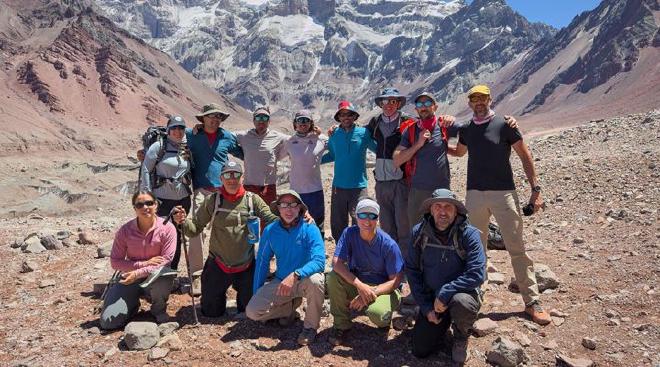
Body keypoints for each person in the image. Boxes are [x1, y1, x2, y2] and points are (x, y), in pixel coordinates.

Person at [453, 84, 551, 325]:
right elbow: (458, 152)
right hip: (474, 195)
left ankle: (531, 301)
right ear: (469, 103)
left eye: (483, 98)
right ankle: (476, 297)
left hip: (504, 193)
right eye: (474, 98)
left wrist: (535, 189)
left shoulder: (506, 125)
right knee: (477, 248)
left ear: (490, 99)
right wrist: (431, 143)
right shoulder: (466, 129)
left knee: (516, 246)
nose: (478, 102)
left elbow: (524, 155)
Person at [173, 161, 278, 318]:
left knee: (248, 311)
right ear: (221, 178)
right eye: (227, 175)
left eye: (236, 174)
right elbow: (194, 228)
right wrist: (182, 221)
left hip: (246, 264)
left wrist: (293, 216)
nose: (232, 179)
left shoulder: (252, 200)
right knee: (211, 312)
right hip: (218, 264)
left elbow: (271, 219)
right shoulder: (213, 200)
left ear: (242, 178)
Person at [405, 189, 486, 364]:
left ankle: (461, 335)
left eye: (448, 207)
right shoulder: (419, 233)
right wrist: (426, 307)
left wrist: (445, 292)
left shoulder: (469, 234)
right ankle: (439, 322)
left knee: (462, 302)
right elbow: (412, 270)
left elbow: (477, 274)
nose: (442, 211)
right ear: (431, 210)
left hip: (459, 295)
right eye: (438, 206)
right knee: (420, 349)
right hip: (432, 300)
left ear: (456, 211)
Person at [246, 190, 326, 346]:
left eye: (293, 205)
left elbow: (319, 261)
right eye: (284, 205)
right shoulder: (270, 231)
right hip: (281, 281)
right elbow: (262, 263)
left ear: (299, 209)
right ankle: (289, 309)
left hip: (305, 280)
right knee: (253, 311)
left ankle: (310, 327)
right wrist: (257, 294)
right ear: (278, 208)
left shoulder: (310, 229)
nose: (288, 210)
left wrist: (296, 274)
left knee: (317, 281)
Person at [326, 198, 404, 346]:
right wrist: (360, 287)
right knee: (333, 277)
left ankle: (383, 320)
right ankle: (341, 325)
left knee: (379, 315)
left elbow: (396, 281)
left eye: (372, 216)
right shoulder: (349, 233)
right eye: (362, 215)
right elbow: (336, 263)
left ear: (377, 218)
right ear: (356, 216)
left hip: (384, 289)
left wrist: (369, 293)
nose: (367, 221)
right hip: (360, 282)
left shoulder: (389, 245)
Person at [187, 103, 244, 294]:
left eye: (218, 117)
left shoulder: (227, 137)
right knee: (196, 231)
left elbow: (245, 153)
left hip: (223, 191)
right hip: (201, 190)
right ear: (203, 119)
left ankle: (229, 270)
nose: (215, 120)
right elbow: (170, 138)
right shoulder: (192, 135)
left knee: (226, 230)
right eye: (211, 116)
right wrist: (145, 154)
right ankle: (196, 274)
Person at [100, 191, 177, 329]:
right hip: (129, 279)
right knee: (108, 323)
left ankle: (158, 309)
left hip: (154, 277)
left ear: (156, 205)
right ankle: (133, 304)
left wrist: (136, 272)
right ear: (134, 208)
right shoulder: (125, 231)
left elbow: (165, 260)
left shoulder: (167, 228)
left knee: (165, 275)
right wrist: (144, 264)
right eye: (140, 204)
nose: (145, 207)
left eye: (149, 203)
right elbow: (115, 262)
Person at [392, 92, 461, 227]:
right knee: (417, 229)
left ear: (435, 107)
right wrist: (418, 144)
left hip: (442, 191)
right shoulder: (411, 130)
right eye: (420, 104)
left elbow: (469, 131)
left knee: (444, 228)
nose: (424, 107)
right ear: (416, 109)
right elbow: (397, 160)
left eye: (428, 103)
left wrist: (453, 119)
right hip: (417, 190)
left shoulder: (444, 126)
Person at [140, 115, 192, 272]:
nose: (177, 131)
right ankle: (155, 270)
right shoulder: (158, 146)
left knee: (176, 236)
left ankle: (171, 271)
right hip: (161, 200)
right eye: (174, 128)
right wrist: (148, 197)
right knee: (158, 236)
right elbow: (146, 169)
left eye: (181, 128)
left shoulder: (187, 148)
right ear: (168, 130)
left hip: (182, 200)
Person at [365, 88, 414, 251]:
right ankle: (391, 264)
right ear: (380, 104)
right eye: (385, 101)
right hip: (381, 182)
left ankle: (407, 267)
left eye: (393, 101)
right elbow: (360, 134)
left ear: (398, 103)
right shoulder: (375, 122)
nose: (388, 105)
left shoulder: (407, 122)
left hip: (400, 181)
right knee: (386, 225)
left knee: (403, 226)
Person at [321, 101, 376, 243]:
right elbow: (333, 155)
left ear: (354, 116)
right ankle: (341, 255)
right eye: (342, 115)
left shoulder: (363, 133)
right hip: (338, 187)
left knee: (360, 221)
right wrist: (312, 160)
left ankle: (359, 255)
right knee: (338, 224)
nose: (346, 117)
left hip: (359, 187)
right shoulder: (334, 135)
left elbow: (378, 149)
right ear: (338, 117)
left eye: (349, 114)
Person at [283, 110, 328, 238]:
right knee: (295, 224)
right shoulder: (289, 141)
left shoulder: (321, 139)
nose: (303, 123)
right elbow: (274, 157)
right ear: (295, 124)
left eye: (306, 120)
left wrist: (320, 160)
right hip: (296, 192)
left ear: (311, 123)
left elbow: (336, 147)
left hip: (315, 191)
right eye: (300, 120)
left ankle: (317, 254)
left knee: (317, 225)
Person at [236, 106, 289, 205]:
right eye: (258, 117)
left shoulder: (277, 136)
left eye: (265, 118)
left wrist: (315, 134)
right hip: (249, 186)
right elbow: (224, 135)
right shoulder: (244, 136)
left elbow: (296, 139)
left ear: (269, 121)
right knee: (249, 217)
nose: (261, 121)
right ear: (253, 120)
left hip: (268, 187)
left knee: (268, 217)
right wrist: (202, 128)